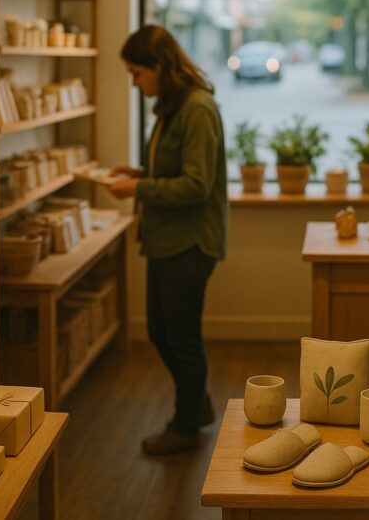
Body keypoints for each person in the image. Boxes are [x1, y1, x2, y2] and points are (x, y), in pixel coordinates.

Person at [106, 25, 228, 455]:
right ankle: (197, 406)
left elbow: (196, 184)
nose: (134, 82)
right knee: (161, 331)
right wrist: (136, 175)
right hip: (166, 240)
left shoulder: (197, 108)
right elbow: (172, 172)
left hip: (189, 243)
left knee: (181, 338)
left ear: (160, 66)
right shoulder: (173, 106)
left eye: (137, 72)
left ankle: (185, 426)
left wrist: (138, 190)